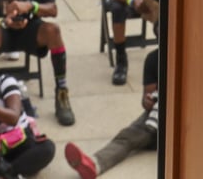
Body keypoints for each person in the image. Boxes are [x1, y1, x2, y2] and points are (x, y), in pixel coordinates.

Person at [64, 48, 159, 177]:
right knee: (128, 136)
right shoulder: (154, 59)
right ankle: (94, 164)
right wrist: (148, 101)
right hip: (158, 117)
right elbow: (146, 99)